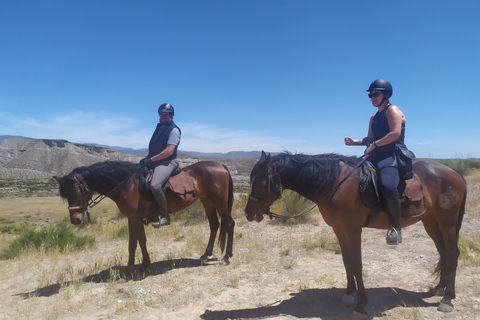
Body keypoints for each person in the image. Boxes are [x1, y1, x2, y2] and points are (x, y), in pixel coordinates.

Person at [345, 79, 415, 245]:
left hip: (392, 155)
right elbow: (370, 138)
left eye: (375, 94)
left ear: (386, 95)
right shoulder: (373, 117)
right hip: (376, 155)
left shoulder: (393, 111)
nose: (372, 97)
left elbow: (395, 133)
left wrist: (374, 145)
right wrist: (354, 142)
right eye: (370, 95)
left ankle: (395, 228)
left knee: (387, 185)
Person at [140, 103, 181, 228]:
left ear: (172, 115)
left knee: (155, 185)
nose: (163, 116)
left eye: (166, 114)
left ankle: (165, 217)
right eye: (161, 114)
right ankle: (152, 213)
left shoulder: (174, 130)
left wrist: (151, 160)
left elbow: (169, 150)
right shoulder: (159, 128)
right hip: (154, 160)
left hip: (167, 162)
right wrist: (146, 159)